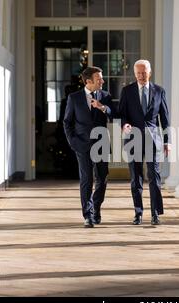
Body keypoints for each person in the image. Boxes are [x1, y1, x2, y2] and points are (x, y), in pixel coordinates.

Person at [119, 60, 171, 226]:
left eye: (144, 72)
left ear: (150, 72)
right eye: (138, 73)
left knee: (154, 177)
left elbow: (165, 119)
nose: (141, 76)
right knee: (136, 178)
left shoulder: (159, 91)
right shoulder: (127, 91)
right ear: (135, 74)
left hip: (153, 139)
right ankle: (138, 213)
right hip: (133, 138)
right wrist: (124, 124)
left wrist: (167, 142)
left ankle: (155, 214)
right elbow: (122, 113)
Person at [63, 67, 115, 228]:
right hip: (82, 144)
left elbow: (114, 115)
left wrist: (103, 108)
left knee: (102, 178)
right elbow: (67, 122)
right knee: (86, 179)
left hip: (101, 144)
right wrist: (73, 142)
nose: (102, 81)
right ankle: (88, 215)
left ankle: (96, 209)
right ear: (88, 81)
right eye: (99, 79)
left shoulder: (105, 96)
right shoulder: (74, 98)